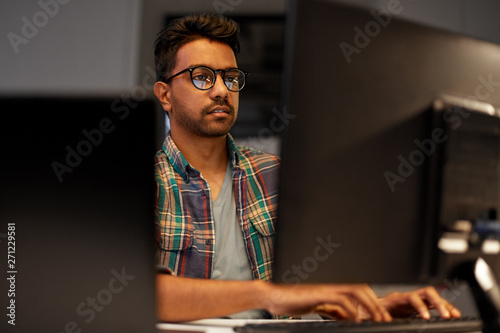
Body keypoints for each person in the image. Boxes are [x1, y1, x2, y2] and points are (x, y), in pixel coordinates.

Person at [152, 13, 462, 322]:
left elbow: (321, 292)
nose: (221, 90)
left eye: (230, 77)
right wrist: (268, 294)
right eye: (202, 76)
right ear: (165, 95)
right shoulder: (142, 185)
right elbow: (140, 293)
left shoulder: (279, 177)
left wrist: (375, 307)